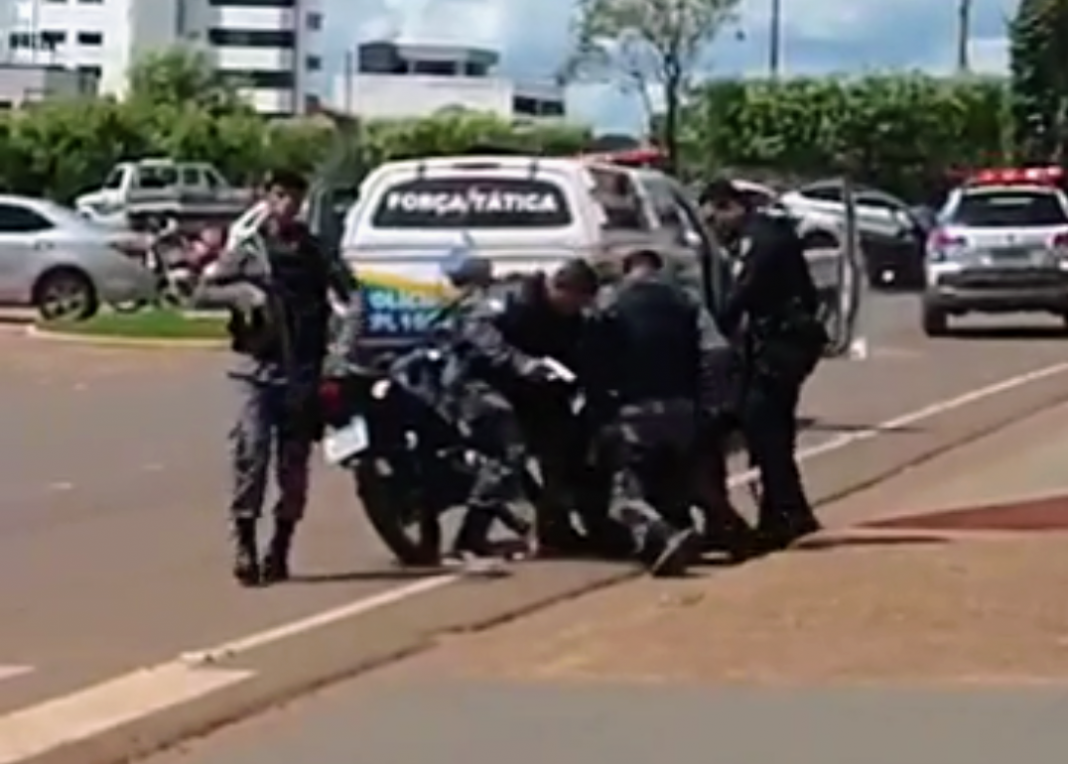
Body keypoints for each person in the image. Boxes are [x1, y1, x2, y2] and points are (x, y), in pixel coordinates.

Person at [196, 169, 359, 587]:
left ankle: (280, 546)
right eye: (280, 196)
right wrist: (245, 294)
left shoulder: (314, 251)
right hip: (255, 368)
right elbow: (204, 290)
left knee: (293, 467)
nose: (287, 205)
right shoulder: (249, 250)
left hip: (302, 370)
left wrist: (339, 354)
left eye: (294, 198)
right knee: (251, 453)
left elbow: (353, 299)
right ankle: (245, 544)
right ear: (267, 198)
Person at [699, 177, 826, 551]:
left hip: (782, 346)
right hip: (779, 343)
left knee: (764, 426)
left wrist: (712, 329)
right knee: (770, 430)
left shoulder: (762, 239)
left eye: (714, 218)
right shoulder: (764, 234)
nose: (714, 228)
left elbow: (744, 292)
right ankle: (786, 513)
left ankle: (786, 515)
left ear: (730, 207)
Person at [596, 249, 730, 576]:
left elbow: (594, 355)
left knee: (627, 490)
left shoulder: (612, 305)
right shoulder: (686, 301)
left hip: (633, 408)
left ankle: (662, 535)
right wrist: (711, 400)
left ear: (627, 270)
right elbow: (716, 350)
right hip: (682, 407)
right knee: (678, 478)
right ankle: (688, 535)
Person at [476, 259, 618, 556]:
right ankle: (471, 535)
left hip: (539, 389)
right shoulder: (513, 297)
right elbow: (479, 334)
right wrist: (519, 363)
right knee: (509, 451)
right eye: (575, 301)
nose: (576, 309)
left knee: (563, 449)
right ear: (559, 289)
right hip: (485, 384)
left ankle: (556, 527)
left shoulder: (574, 320)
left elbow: (581, 355)